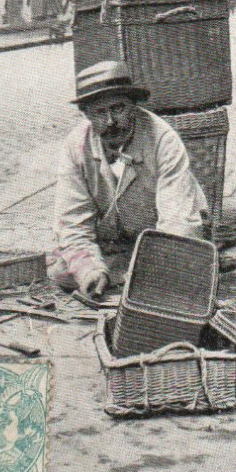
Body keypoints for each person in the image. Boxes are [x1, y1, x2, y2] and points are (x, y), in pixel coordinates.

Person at [47, 60, 207, 297]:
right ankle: (121, 270)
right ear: (87, 115)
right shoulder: (76, 146)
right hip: (114, 239)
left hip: (161, 234)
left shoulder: (163, 139)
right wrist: (90, 271)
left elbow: (177, 222)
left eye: (118, 108)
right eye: (100, 113)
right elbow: (72, 222)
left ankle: (138, 271)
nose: (110, 121)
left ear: (133, 105)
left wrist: (159, 269)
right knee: (61, 269)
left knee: (179, 270)